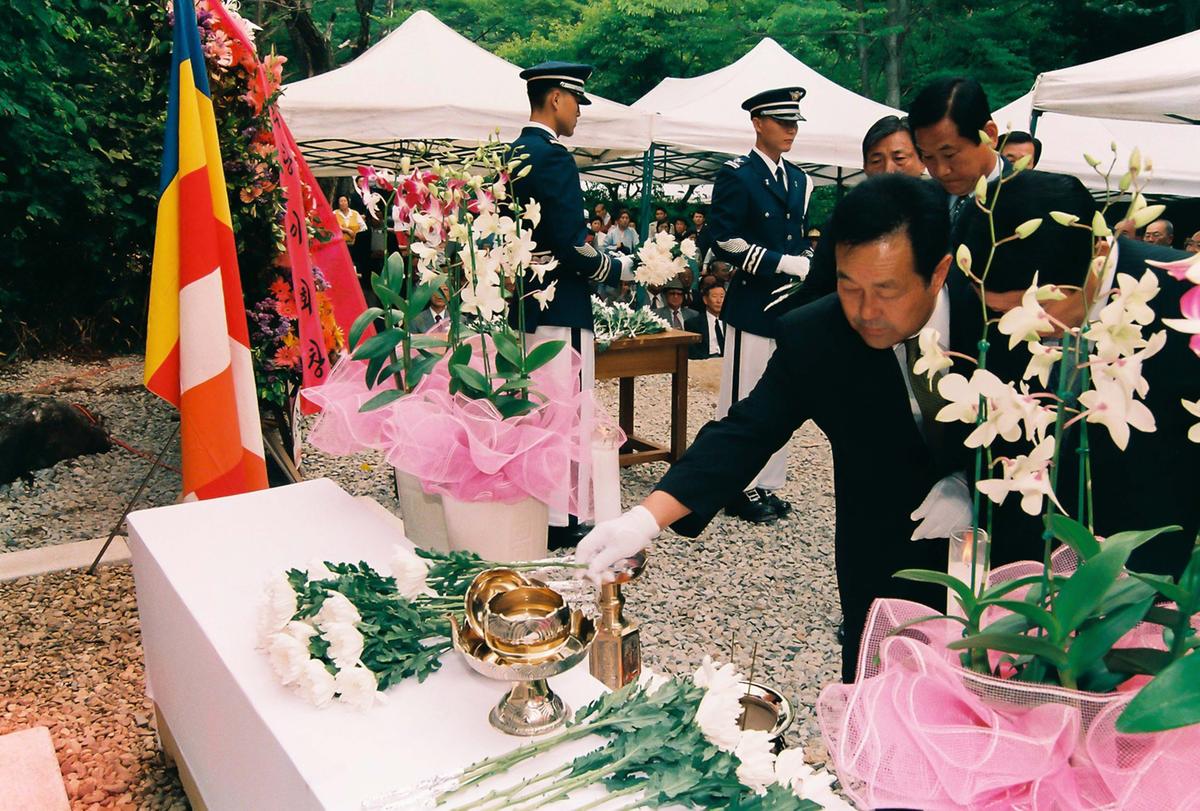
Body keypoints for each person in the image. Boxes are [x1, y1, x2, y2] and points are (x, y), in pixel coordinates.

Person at [576, 174, 981, 682]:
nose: (866, 312)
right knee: (883, 686)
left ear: (939, 272)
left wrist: (974, 484)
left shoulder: (993, 317)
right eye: (849, 285)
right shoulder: (819, 334)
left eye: (887, 290)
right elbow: (746, 431)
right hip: (881, 542)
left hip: (1007, 549)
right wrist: (643, 520)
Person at [959, 170, 1200, 577]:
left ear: (1097, 257)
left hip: (1149, 570)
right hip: (1029, 558)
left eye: (1032, 310)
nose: (1014, 327)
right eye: (1000, 313)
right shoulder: (994, 300)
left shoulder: (1186, 296)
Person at [508, 61, 633, 548]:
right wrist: (618, 269)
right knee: (564, 412)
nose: (579, 112)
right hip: (561, 306)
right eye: (577, 101)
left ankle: (536, 505)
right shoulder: (554, 157)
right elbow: (571, 244)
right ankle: (559, 518)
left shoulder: (511, 152)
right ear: (556, 98)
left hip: (525, 304)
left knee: (531, 410)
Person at [708, 86, 814, 525]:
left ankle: (767, 483)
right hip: (753, 301)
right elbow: (725, 239)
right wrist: (780, 262)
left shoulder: (800, 178)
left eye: (794, 123)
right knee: (744, 396)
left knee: (781, 397)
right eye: (782, 122)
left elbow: (801, 232)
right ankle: (734, 485)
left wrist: (806, 261)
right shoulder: (738, 174)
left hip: (787, 307)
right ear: (757, 122)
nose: (791, 130)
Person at [909, 77, 1006, 236]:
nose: (941, 171)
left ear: (989, 135)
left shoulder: (1029, 201)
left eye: (949, 155)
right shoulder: (921, 203)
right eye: (927, 156)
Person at [685, 283, 725, 359]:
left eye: (722, 297)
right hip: (705, 362)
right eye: (714, 296)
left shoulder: (730, 323)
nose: (719, 301)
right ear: (705, 300)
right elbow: (693, 351)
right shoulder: (693, 323)